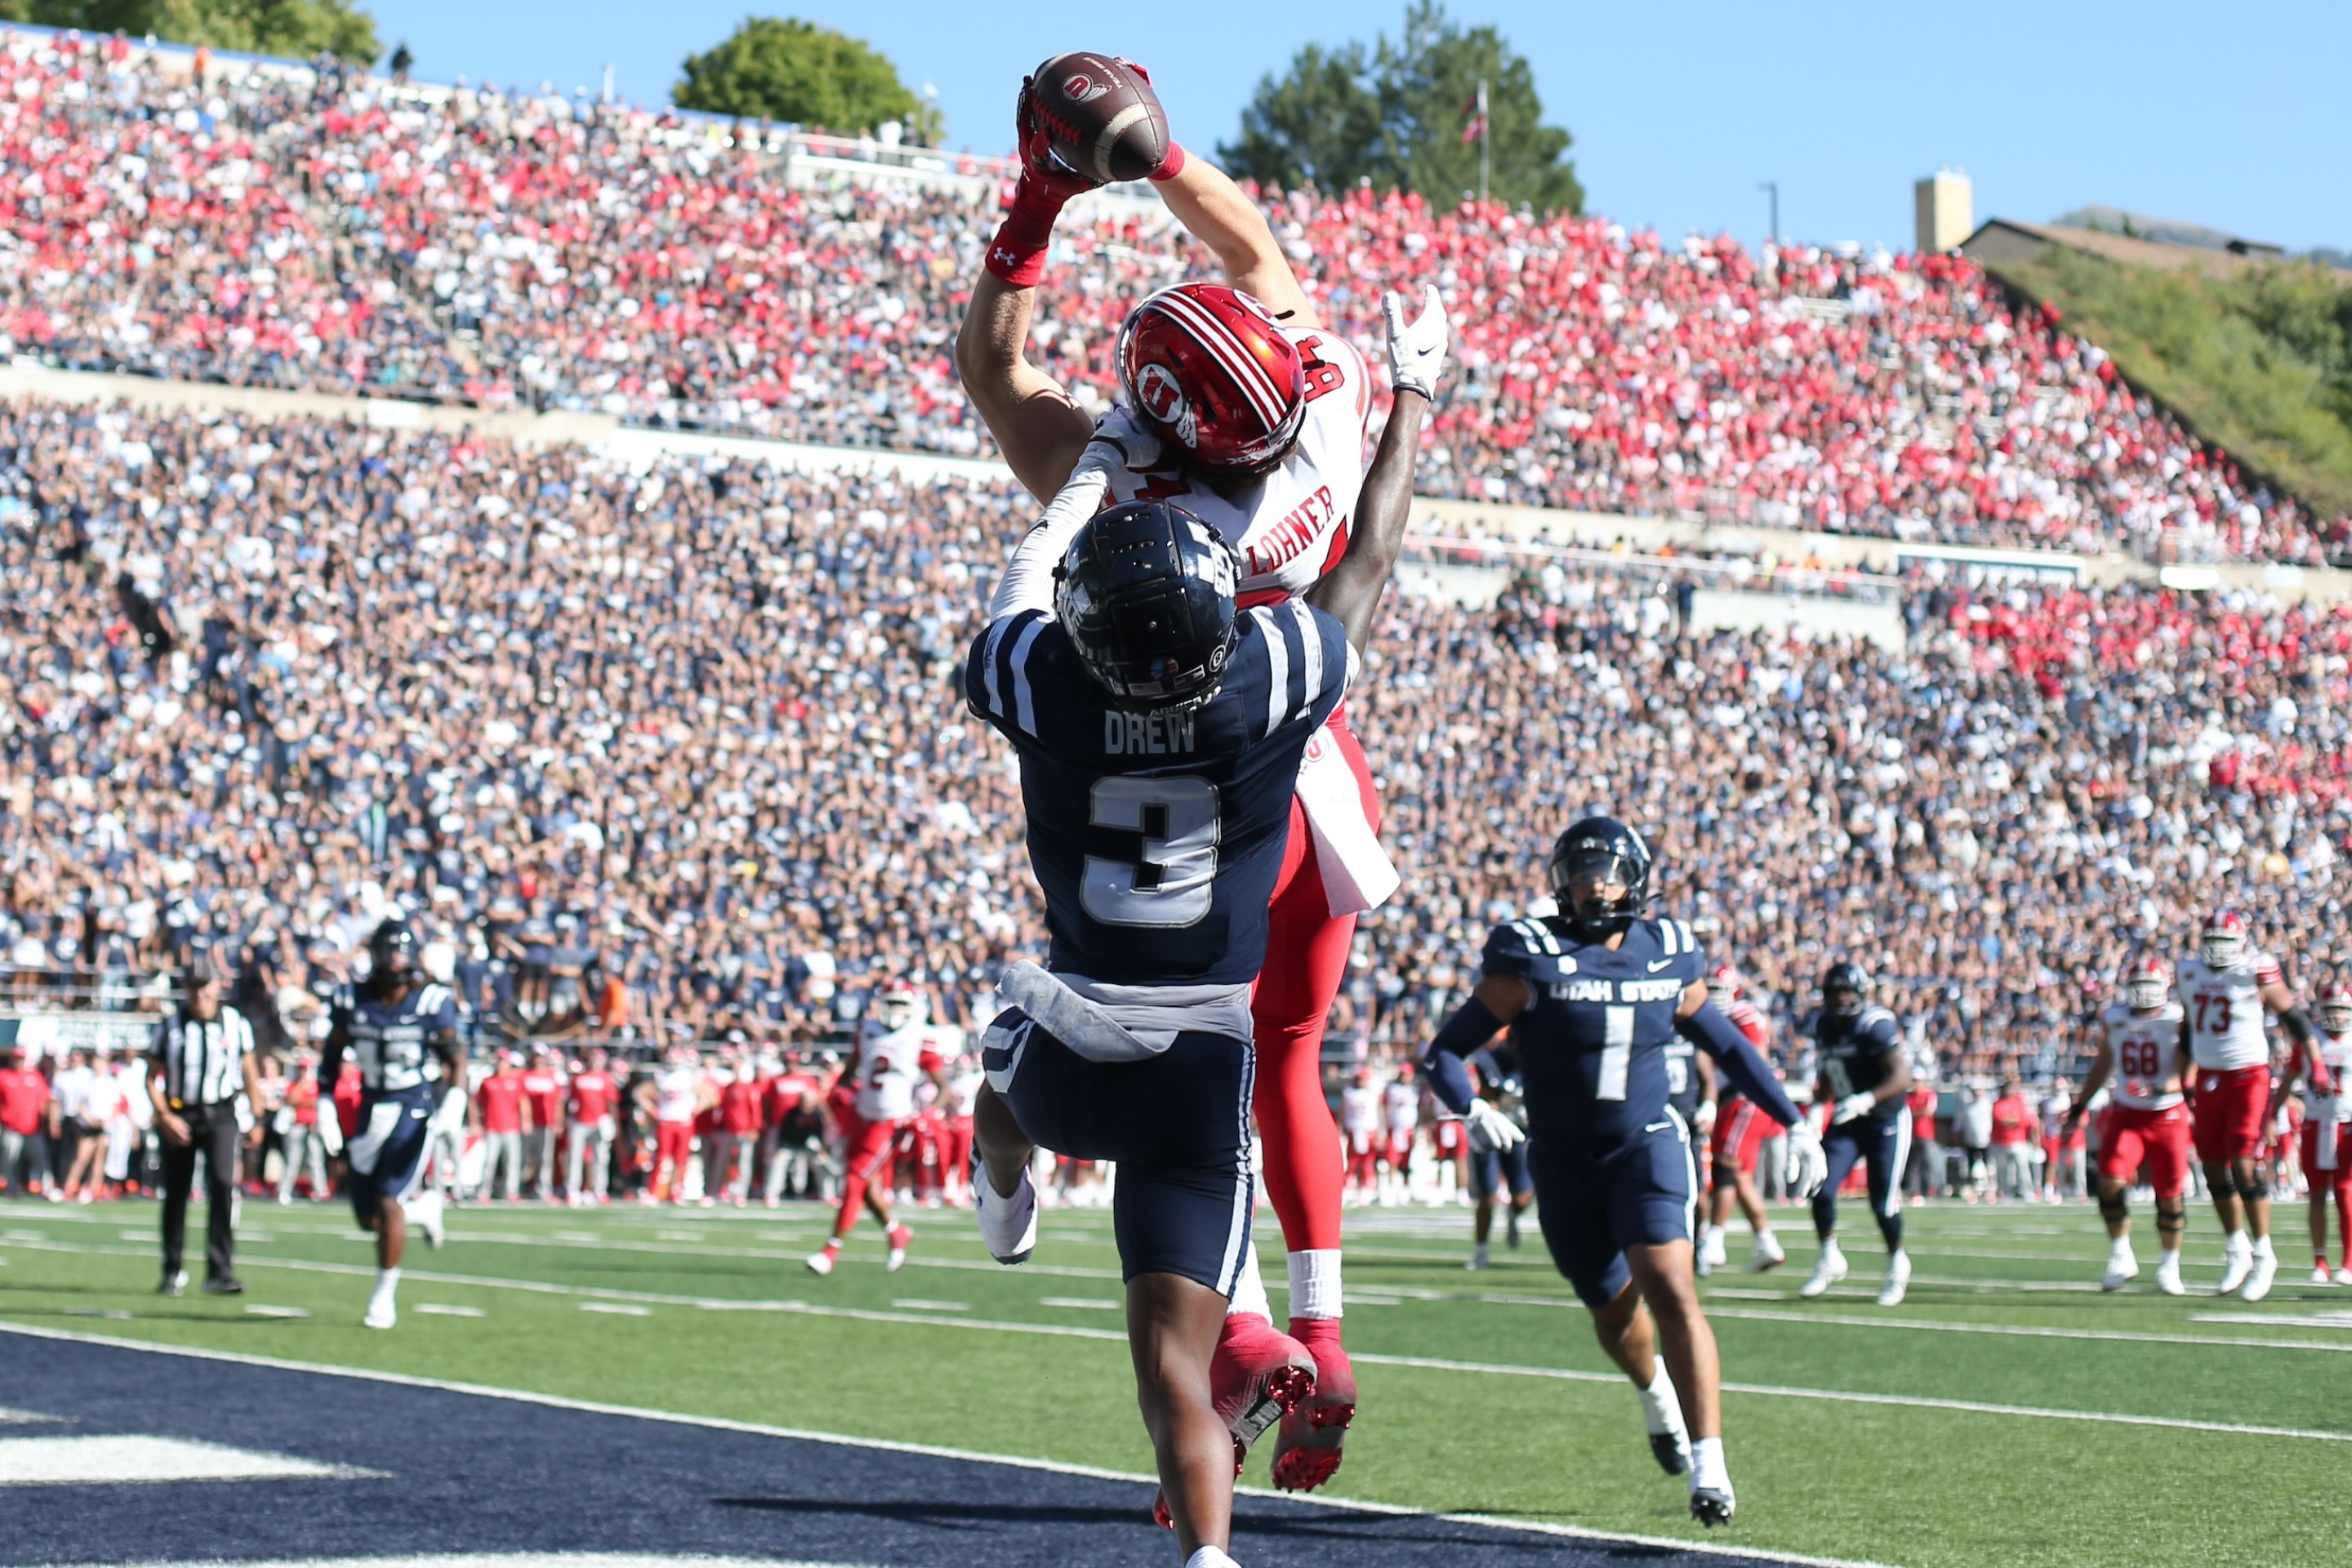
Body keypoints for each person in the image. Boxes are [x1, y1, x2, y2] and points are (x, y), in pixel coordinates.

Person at [957, 82, 1428, 1491]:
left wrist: (1042, 202)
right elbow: (1247, 245)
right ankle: (1325, 1325)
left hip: (1183, 760)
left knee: (1151, 1034)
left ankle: (1230, 1333)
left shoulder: (1126, 494)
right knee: (1284, 1054)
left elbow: (995, 371)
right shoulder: (1328, 398)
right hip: (1313, 770)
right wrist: (1157, 157)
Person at [1419, 817, 1825, 1526]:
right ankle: (1655, 1396)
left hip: (1647, 1143)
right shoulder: (1532, 956)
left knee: (1672, 1284)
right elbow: (1446, 1051)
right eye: (1581, 872)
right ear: (1560, 882)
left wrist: (1793, 1119)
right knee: (1612, 1315)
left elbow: (1729, 1047)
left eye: (1607, 872)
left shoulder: (1667, 952)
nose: (1594, 884)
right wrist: (1470, 1107)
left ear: (1636, 881)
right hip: (1562, 1159)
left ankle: (1711, 1466)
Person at [320, 919, 461, 1330]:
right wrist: (327, 1103)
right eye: (389, 949)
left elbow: (457, 1059)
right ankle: (422, 1210)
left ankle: (384, 1296)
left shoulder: (432, 1001)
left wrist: (454, 1100)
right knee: (369, 1219)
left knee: (387, 1199)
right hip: (370, 1107)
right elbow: (331, 1060)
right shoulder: (351, 998)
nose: (395, 958)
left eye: (402, 950)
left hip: (412, 1107)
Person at [2178, 908, 2317, 1302]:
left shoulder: (2255, 969)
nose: (2218, 951)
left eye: (2225, 943)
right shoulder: (2189, 973)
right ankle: (2236, 1247)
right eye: (2212, 943)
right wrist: (2185, 1075)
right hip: (2209, 1077)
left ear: (2240, 944)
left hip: (2249, 1076)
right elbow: (2189, 1027)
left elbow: (2294, 1018)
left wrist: (2315, 1060)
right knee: (2210, 1167)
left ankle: (2263, 1253)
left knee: (2242, 1162)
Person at [807, 982, 956, 1275]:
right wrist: (840, 1100)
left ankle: (830, 1250)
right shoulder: (868, 1030)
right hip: (864, 1115)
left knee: (854, 1178)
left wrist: (926, 1115)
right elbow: (850, 1073)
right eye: (891, 1004)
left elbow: (944, 1089)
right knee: (865, 1187)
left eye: (901, 1005)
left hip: (892, 1121)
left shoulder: (919, 1037)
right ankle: (895, 1231)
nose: (896, 1011)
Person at [2066, 956, 2190, 1294]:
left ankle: (2169, 1264)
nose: (2144, 993)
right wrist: (2080, 1105)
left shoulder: (2178, 1018)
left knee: (2169, 1194)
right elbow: (2103, 1063)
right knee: (2108, 1181)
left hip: (2167, 1113)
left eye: (2150, 986)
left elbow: (2191, 1068)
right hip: (2128, 1111)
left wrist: (2165, 1087)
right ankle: (2121, 1254)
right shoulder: (2116, 1018)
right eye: (2137, 986)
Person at [1797, 962, 1916, 1306]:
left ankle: (1897, 1263)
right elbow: (1830, 1073)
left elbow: (1900, 1077)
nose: (1841, 998)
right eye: (1835, 992)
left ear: (1861, 993)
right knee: (1820, 1186)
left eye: (1847, 992)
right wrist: (1818, 1107)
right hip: (1848, 1119)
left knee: (1882, 1204)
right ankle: (1829, 1257)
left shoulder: (1874, 1025)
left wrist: (1867, 1099)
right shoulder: (1825, 1025)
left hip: (1885, 1120)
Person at [148, 959, 266, 1295]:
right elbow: (151, 1078)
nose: (200, 992)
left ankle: (220, 1271)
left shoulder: (235, 1023)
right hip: (181, 1113)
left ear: (217, 986)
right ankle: (172, 1269)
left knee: (223, 1185)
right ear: (186, 989)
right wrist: (165, 1116)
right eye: (194, 986)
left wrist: (258, 1117)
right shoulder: (170, 1026)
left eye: (205, 985)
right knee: (176, 1193)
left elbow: (249, 1071)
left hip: (222, 1113)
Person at [1696, 965, 1786, 1275]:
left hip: (1743, 1099)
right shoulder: (1711, 1016)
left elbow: (1755, 1058)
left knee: (1725, 1166)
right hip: (1732, 1100)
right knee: (1741, 1177)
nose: (1715, 997)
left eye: (1721, 990)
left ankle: (1715, 1240)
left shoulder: (1742, 1013)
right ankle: (1766, 1242)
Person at [2283, 985, 2352, 1285]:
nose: (2336, 1015)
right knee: (2316, 1195)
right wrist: (2272, 1113)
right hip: (2315, 1121)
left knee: (2345, 1194)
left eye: (2341, 1009)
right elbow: (2289, 1077)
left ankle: (2349, 1262)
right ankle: (2320, 1261)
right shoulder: (2310, 1040)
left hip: (2347, 1123)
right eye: (2331, 1009)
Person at [1462, 1035, 1533, 1271]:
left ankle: (1513, 1213)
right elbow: (1487, 1100)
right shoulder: (1490, 1061)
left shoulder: (1539, 1060)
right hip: (1490, 1130)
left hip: (1520, 1134)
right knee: (1488, 1194)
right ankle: (1481, 1251)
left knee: (1523, 1197)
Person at [564, 1045, 620, 1205]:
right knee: (574, 1158)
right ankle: (572, 1190)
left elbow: (611, 1102)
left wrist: (612, 1122)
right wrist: (569, 1119)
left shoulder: (606, 1078)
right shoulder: (578, 1078)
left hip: (599, 1122)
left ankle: (599, 1190)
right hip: (580, 1122)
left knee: (600, 1159)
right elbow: (571, 1101)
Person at [1989, 1076, 2034, 1201]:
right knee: (2003, 1171)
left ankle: (2027, 1192)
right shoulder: (1998, 1103)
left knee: (2023, 1169)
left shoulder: (2020, 1102)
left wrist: (2012, 1121)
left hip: (2019, 1141)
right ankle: (2005, 1193)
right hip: (2000, 1142)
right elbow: (2000, 1119)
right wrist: (2013, 1120)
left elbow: (2024, 1120)